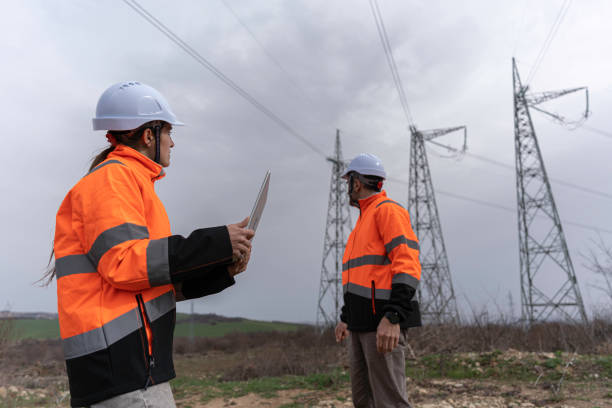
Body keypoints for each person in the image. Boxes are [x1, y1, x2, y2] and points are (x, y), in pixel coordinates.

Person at [49, 81, 254, 407]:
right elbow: (124, 265)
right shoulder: (113, 180)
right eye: (169, 132)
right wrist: (215, 241)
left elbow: (150, 286)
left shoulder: (129, 183)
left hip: (127, 370)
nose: (173, 142)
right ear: (148, 135)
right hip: (121, 371)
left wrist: (220, 270)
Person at [334, 153, 422, 408]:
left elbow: (407, 264)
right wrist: (345, 317)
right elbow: (359, 277)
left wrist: (393, 316)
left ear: (356, 182)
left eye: (348, 181)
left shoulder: (388, 212)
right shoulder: (362, 223)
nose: (347, 187)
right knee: (363, 400)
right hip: (360, 324)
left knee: (389, 402)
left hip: (382, 324)